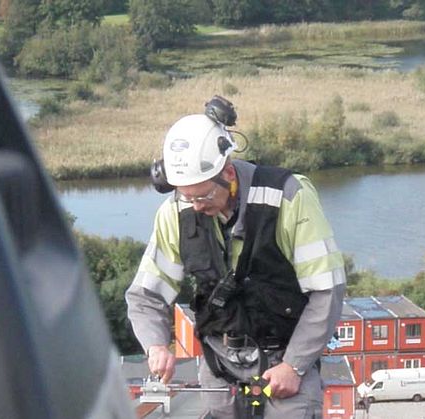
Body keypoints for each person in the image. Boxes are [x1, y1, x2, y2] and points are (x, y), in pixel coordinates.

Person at [125, 100, 346, 419]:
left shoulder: (287, 198)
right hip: (220, 367)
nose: (195, 206)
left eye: (202, 195)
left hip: (284, 363)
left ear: (228, 173)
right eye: (186, 196)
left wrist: (295, 365)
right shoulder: (176, 213)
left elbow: (327, 290)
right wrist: (156, 345)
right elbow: (146, 295)